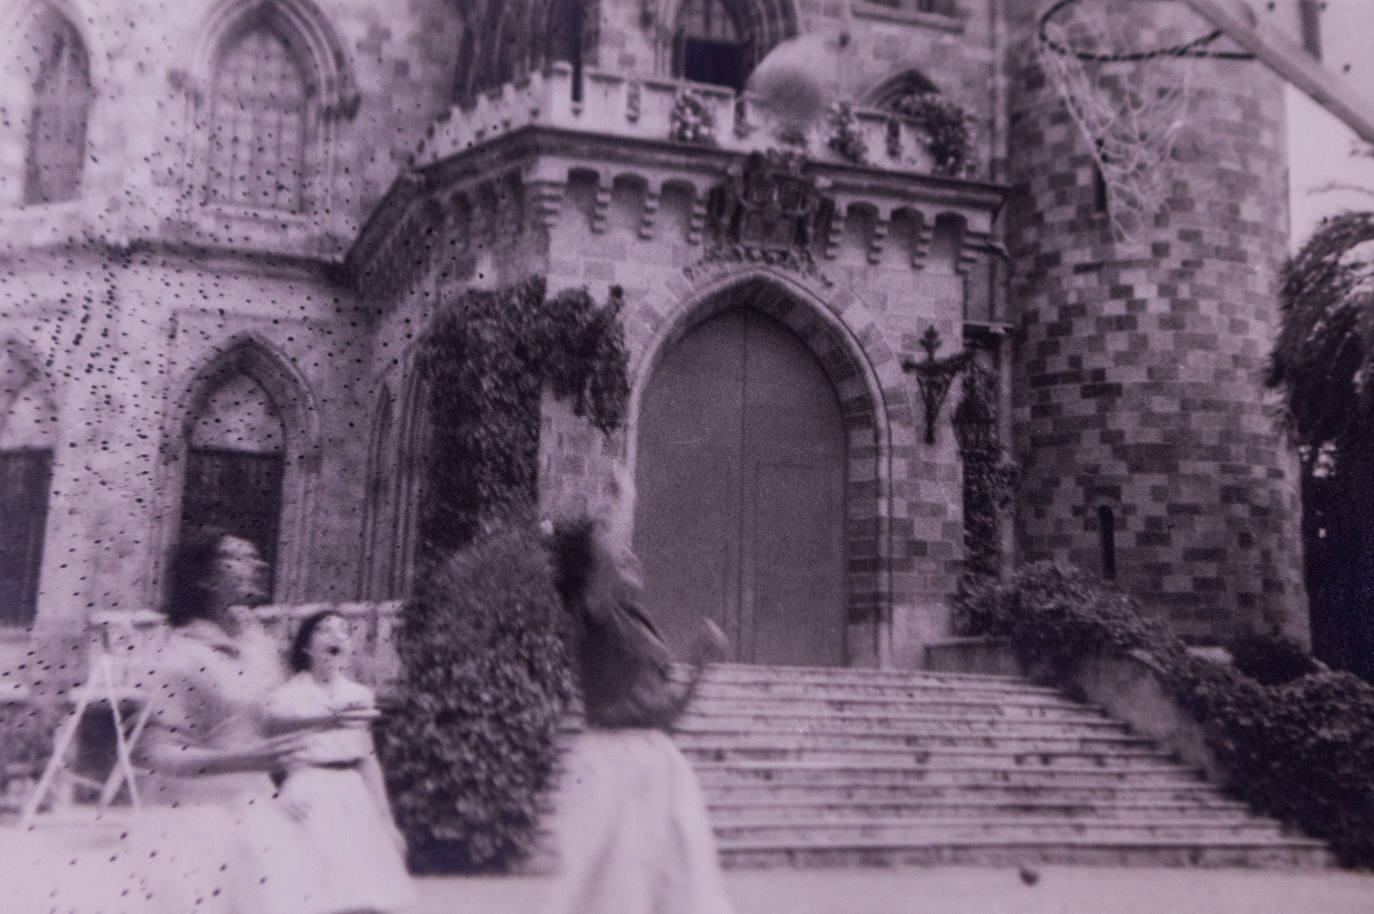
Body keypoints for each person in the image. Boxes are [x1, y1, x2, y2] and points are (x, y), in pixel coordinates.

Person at [543, 467, 735, 914]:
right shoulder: (593, 613)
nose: (631, 556)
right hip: (610, 768)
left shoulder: (639, 626)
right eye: (618, 551)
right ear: (591, 573)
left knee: (678, 892)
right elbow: (599, 556)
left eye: (631, 551)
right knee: (612, 895)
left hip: (660, 766)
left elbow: (663, 713)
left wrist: (701, 668)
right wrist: (626, 496)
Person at [127, 531, 315, 914]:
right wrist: (242, 761)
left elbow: (265, 720)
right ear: (205, 577)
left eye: (254, 556)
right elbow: (151, 751)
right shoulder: (179, 655)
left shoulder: (258, 641)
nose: (256, 565)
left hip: (258, 812)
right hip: (194, 822)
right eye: (237, 557)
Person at [262, 609, 416, 914]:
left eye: (343, 631)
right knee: (313, 892)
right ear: (307, 647)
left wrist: (387, 821)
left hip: (352, 795)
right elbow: (266, 754)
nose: (336, 636)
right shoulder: (286, 696)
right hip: (307, 792)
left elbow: (367, 759)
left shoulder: (358, 695)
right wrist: (276, 797)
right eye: (324, 630)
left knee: (365, 895)